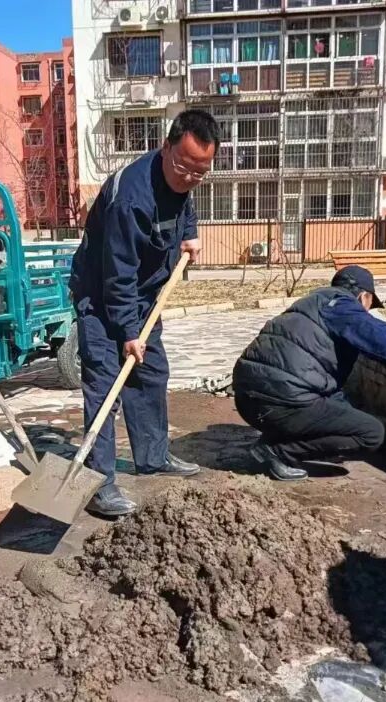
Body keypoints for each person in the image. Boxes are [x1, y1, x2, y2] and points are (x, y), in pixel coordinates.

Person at [68, 109, 222, 516]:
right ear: (165, 147)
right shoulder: (130, 198)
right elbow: (117, 274)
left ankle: (153, 456)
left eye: (201, 172)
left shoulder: (183, 176)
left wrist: (190, 234)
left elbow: (184, 203)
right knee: (106, 385)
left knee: (151, 373)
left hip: (143, 296)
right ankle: (99, 483)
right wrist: (127, 333)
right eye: (185, 167)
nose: (190, 178)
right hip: (102, 297)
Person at [232, 265, 386, 482]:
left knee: (352, 420)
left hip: (247, 400)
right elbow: (383, 339)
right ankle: (276, 452)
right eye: (370, 305)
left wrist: (347, 420)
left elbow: (329, 390)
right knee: (371, 433)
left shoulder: (311, 304)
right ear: (363, 296)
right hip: (279, 404)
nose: (367, 311)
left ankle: (274, 441)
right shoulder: (342, 306)